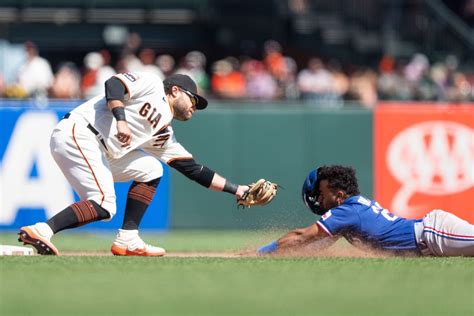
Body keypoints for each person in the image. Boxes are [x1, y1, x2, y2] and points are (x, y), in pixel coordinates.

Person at [18, 72, 250, 256]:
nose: (194, 106)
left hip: (101, 149)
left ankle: (127, 238)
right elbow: (114, 84)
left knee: (151, 169)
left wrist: (238, 190)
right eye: (193, 99)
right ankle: (41, 230)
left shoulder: (163, 133)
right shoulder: (152, 85)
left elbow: (193, 170)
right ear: (175, 91)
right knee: (104, 204)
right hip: (79, 133)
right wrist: (121, 120)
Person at [258, 165, 474, 257]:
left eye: (321, 192)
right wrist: (280, 252)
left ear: (340, 195)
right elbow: (311, 244)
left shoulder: (347, 211)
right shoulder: (347, 215)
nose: (319, 198)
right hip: (431, 240)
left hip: (433, 234)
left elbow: (301, 236)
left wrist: (263, 252)